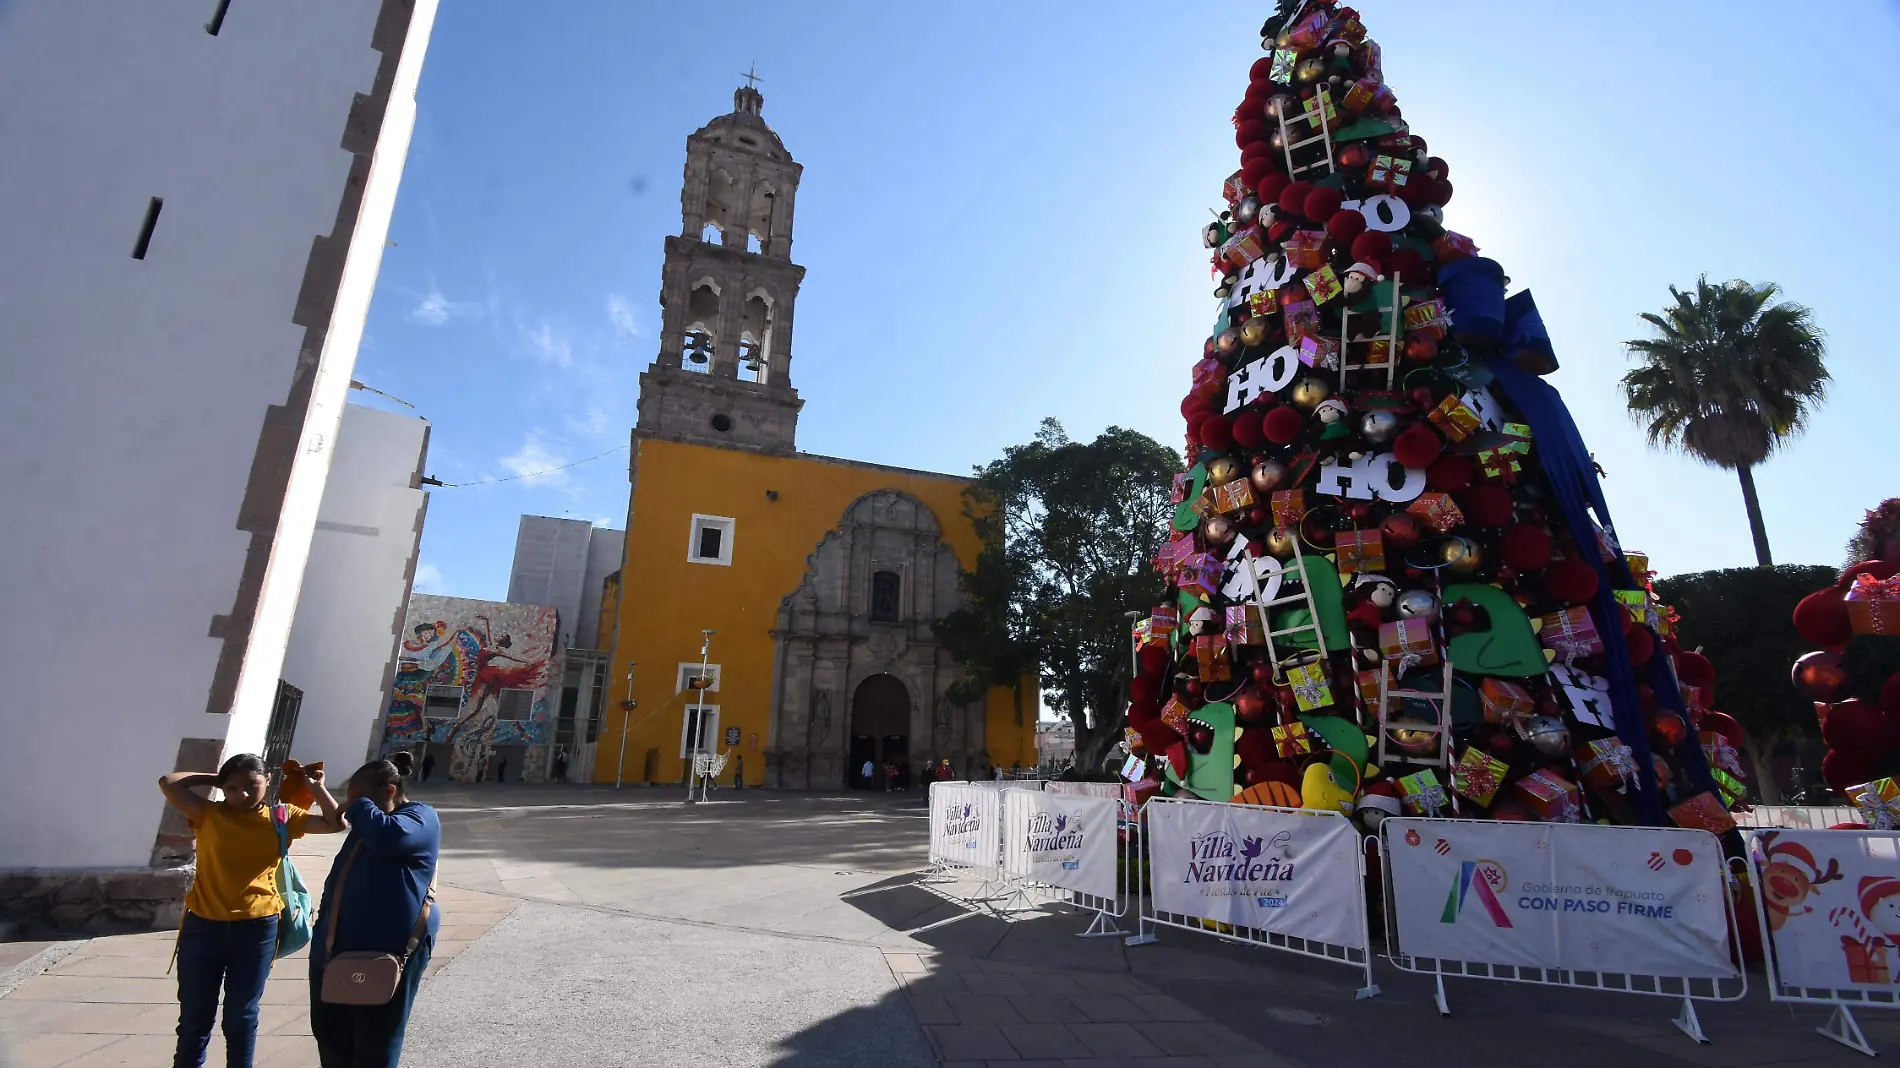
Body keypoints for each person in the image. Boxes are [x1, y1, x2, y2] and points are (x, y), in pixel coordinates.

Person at [159, 753, 344, 1068]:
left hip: (256, 930)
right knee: (194, 1015)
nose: (241, 794)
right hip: (202, 928)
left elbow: (336, 823)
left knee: (241, 1015)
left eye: (251, 785)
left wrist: (316, 790)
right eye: (231, 788)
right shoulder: (207, 813)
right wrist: (215, 778)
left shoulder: (281, 817)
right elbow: (169, 782)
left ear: (267, 781)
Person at [310, 752, 441, 1068]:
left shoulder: (419, 817)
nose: (352, 806)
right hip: (335, 948)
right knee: (331, 1036)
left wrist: (360, 806)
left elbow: (391, 838)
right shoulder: (369, 824)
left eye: (359, 799)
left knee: (377, 1041)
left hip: (392, 952)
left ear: (390, 792)